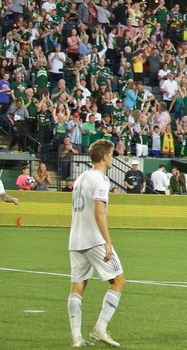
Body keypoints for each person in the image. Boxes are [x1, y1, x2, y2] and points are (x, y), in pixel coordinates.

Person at [68, 139, 125, 348]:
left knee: (78, 286)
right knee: (118, 281)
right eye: (111, 155)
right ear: (104, 157)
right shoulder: (101, 180)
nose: (112, 159)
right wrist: (108, 242)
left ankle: (76, 337)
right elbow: (99, 212)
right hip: (94, 240)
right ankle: (100, 328)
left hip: (76, 239)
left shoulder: (81, 177)